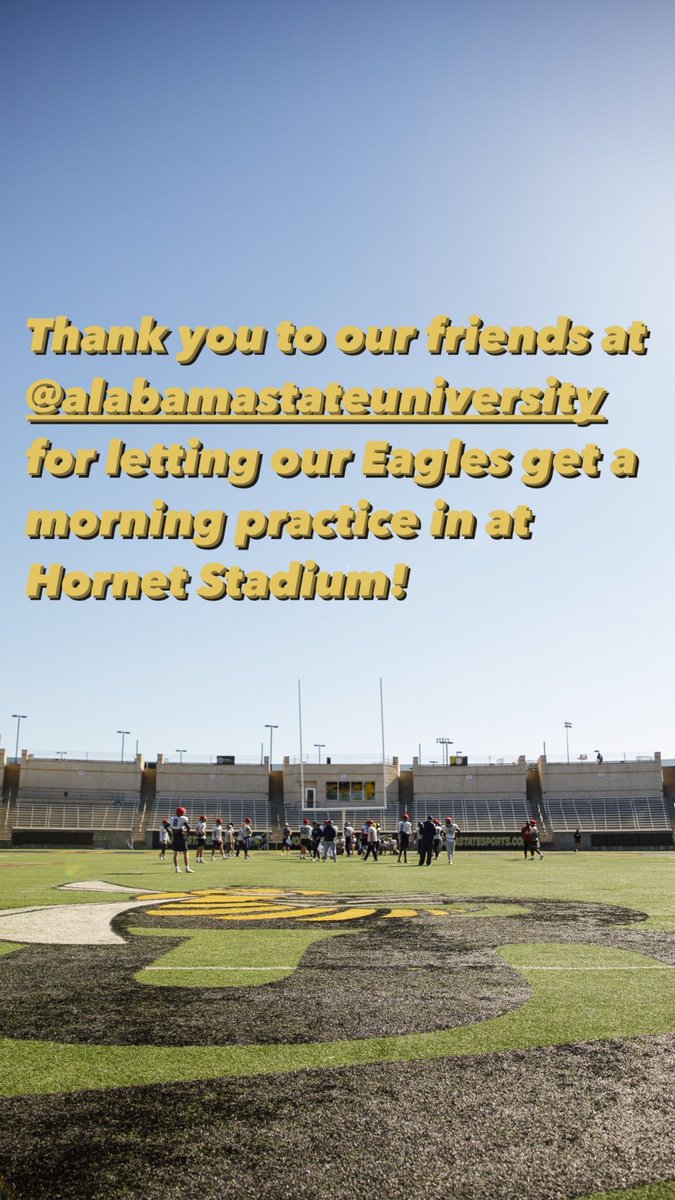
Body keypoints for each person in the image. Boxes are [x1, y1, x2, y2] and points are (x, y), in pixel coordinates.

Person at [170, 806, 193, 874]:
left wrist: (171, 832)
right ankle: (187, 868)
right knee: (185, 852)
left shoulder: (172, 818)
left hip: (175, 836)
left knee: (176, 853)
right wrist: (186, 834)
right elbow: (188, 827)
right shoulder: (184, 818)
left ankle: (177, 868)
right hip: (181, 836)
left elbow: (166, 826)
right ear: (182, 812)